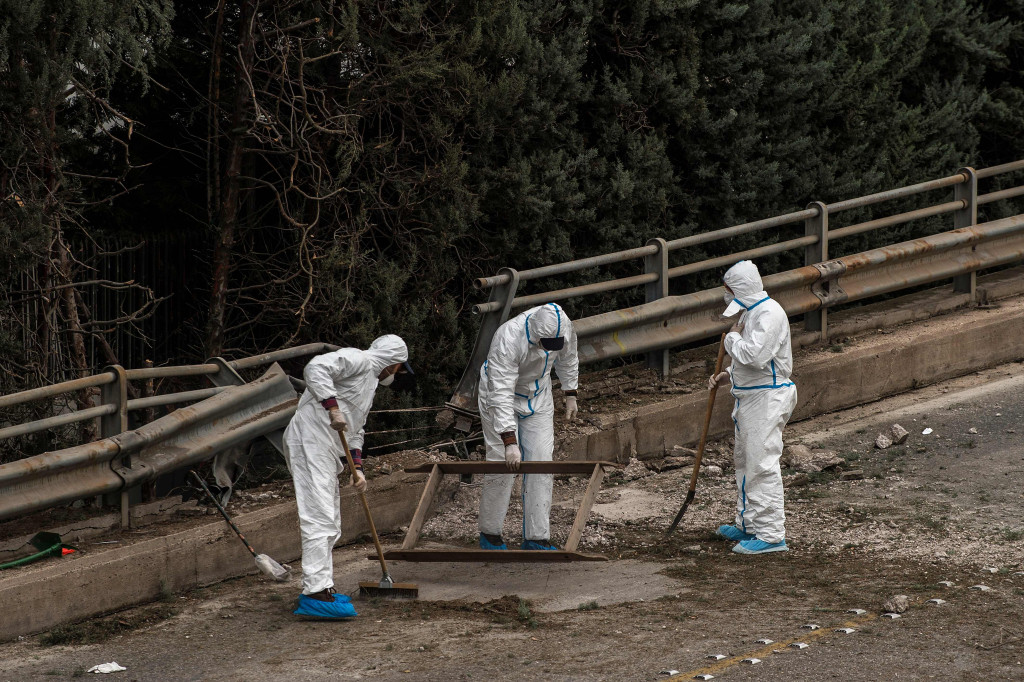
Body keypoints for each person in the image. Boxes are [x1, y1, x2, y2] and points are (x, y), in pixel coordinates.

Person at [283, 335, 412, 618]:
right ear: (393, 363)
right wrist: (332, 407)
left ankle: (323, 587)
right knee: (319, 517)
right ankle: (314, 593)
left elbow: (356, 429)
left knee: (331, 519)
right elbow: (316, 368)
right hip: (309, 440)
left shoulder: (369, 386)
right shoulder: (359, 359)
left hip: (324, 448)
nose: (397, 374)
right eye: (400, 368)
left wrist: (358, 468)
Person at [707, 260, 797, 555]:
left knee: (761, 463)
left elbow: (756, 356)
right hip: (751, 396)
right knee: (745, 461)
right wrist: (729, 375)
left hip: (767, 399)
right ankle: (749, 523)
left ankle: (771, 535)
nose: (727, 295)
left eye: (729, 290)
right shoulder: (750, 311)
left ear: (740, 288)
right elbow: (754, 364)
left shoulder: (769, 314)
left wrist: (731, 338)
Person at [477, 302, 580, 551]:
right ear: (535, 333)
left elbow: (568, 358)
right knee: (502, 461)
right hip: (501, 394)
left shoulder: (563, 329)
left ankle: (537, 537)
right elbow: (500, 393)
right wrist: (510, 441)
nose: (550, 349)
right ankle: (490, 534)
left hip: (539, 394)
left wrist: (570, 392)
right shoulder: (509, 337)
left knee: (542, 462)